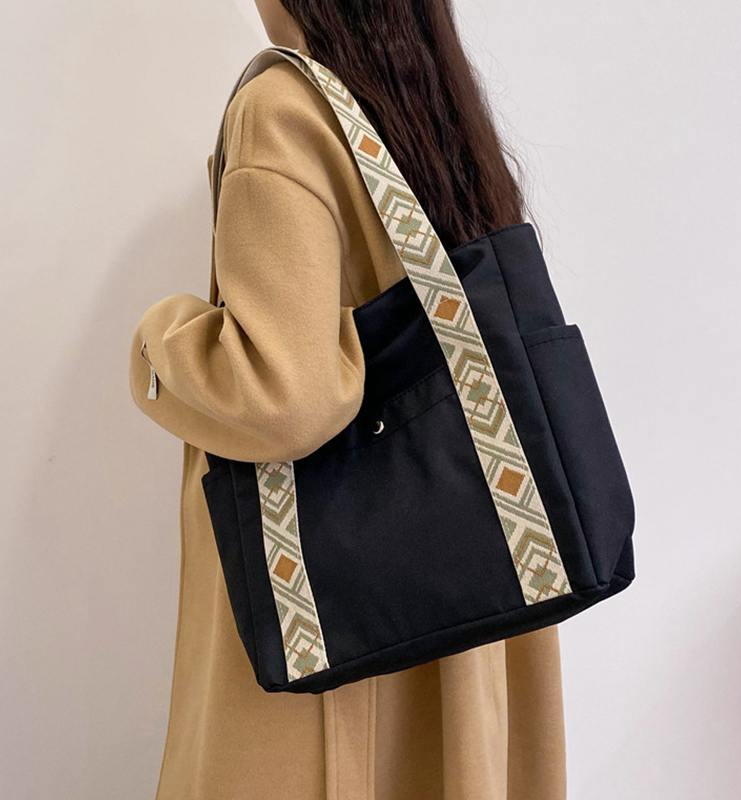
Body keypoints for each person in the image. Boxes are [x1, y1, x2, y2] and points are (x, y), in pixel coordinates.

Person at [129, 1, 567, 797]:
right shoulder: (426, 95)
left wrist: (161, 344)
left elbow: (284, 397)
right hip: (471, 590)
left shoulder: (281, 108)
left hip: (344, 641)